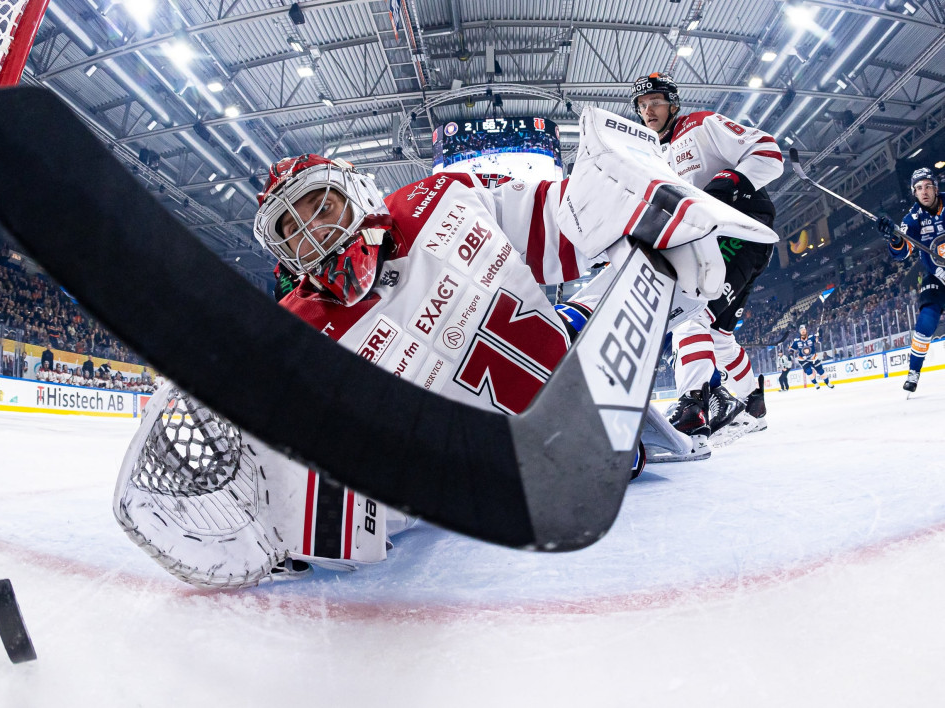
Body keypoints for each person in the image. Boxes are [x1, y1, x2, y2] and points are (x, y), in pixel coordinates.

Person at [113, 108, 776, 590]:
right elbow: (282, 455)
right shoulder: (290, 329)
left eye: (318, 206)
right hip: (483, 481)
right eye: (290, 229)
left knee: (646, 279)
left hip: (575, 389)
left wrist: (650, 216)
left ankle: (665, 335)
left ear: (353, 192)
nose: (311, 232)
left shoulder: (434, 200)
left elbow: (566, 224)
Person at [630, 72, 781, 440]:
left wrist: (731, 180)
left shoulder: (701, 125)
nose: (649, 110)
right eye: (642, 105)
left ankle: (693, 407)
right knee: (720, 336)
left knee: (691, 310)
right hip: (712, 244)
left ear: (673, 104)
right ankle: (753, 405)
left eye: (656, 101)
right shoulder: (651, 156)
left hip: (739, 233)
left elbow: (768, 152)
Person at [877, 167, 944, 394]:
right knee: (926, 321)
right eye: (919, 188)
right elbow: (902, 252)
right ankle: (913, 373)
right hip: (937, 276)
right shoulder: (913, 218)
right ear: (914, 192)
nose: (924, 191)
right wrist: (894, 238)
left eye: (927, 186)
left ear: (935, 188)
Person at [788, 324, 833, 389]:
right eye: (801, 330)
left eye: (804, 329)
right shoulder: (796, 340)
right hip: (803, 359)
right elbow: (791, 348)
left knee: (820, 371)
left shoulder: (811, 337)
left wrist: (820, 335)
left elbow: (819, 340)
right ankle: (815, 383)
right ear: (800, 331)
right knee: (809, 371)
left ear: (806, 330)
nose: (803, 331)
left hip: (813, 357)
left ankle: (827, 383)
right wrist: (790, 354)